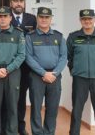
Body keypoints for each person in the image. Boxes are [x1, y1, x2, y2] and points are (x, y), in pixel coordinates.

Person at [67, 9, 95, 135]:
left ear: (94, 20)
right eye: (84, 19)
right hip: (79, 79)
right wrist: (75, 70)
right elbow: (69, 57)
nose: (87, 21)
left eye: (89, 19)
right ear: (80, 20)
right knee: (76, 111)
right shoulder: (73, 37)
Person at [25, 7, 67, 135]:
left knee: (52, 108)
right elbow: (28, 57)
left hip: (55, 77)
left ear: (51, 19)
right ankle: (37, 133)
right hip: (37, 76)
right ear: (37, 18)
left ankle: (49, 132)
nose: (43, 19)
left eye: (46, 17)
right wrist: (43, 73)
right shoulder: (30, 36)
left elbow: (63, 57)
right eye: (41, 17)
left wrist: (54, 73)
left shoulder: (58, 36)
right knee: (36, 108)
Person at [0, 6, 25, 135]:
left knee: (12, 105)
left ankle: (11, 131)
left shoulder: (18, 33)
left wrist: (8, 69)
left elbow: (21, 55)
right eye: (0, 16)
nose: (2, 19)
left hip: (12, 72)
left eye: (5, 16)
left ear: (10, 18)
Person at [9, 0, 36, 135]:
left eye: (21, 1)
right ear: (11, 3)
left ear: (24, 3)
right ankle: (8, 125)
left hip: (26, 66)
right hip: (9, 64)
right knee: (8, 95)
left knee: (21, 97)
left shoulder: (32, 19)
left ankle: (20, 125)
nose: (18, 3)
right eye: (15, 0)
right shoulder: (5, 17)